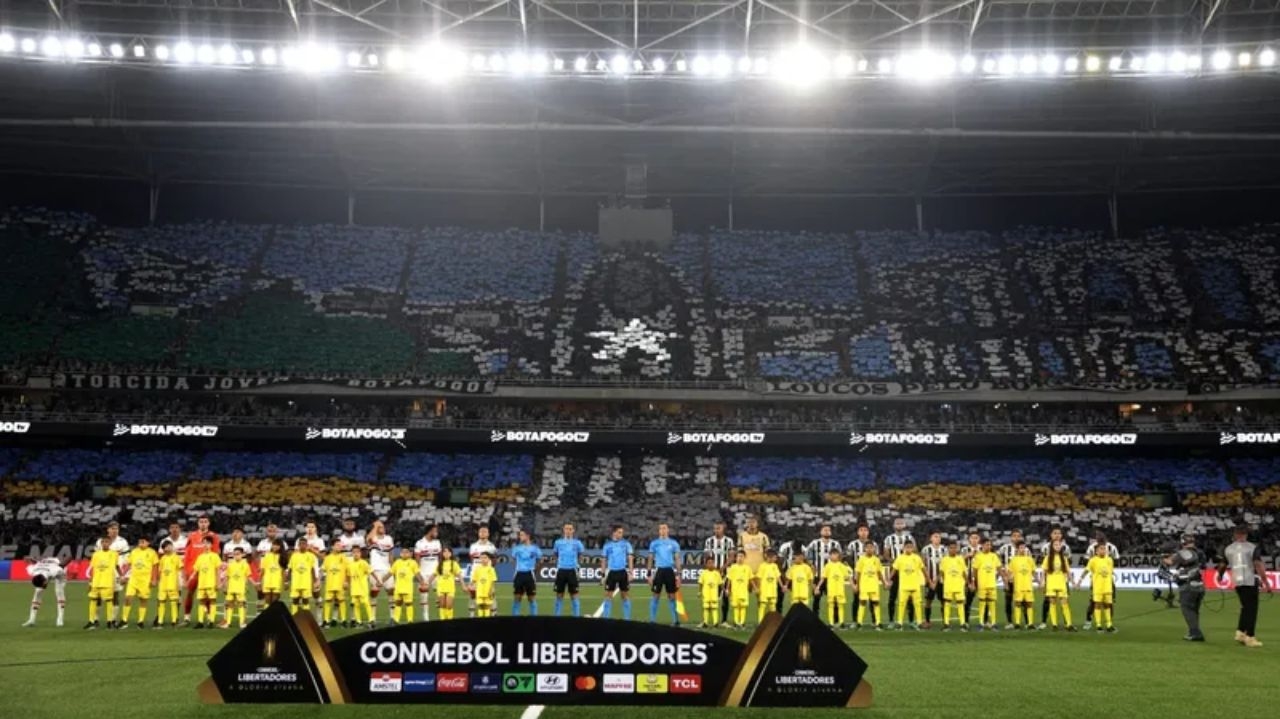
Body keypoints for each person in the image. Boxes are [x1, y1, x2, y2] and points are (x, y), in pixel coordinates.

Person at [1223, 525, 1269, 648]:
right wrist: (1266, 582)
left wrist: (1219, 576)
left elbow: (1222, 564)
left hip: (1237, 581)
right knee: (1251, 610)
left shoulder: (1228, 549)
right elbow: (1258, 564)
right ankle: (1250, 636)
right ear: (1246, 534)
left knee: (1245, 607)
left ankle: (1240, 632)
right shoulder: (1252, 548)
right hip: (1249, 580)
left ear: (1234, 534)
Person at [1165, 534, 1207, 642]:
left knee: (1187, 609)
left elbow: (1169, 562)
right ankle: (1194, 631)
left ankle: (1195, 633)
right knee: (1195, 610)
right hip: (1200, 585)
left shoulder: (1183, 553)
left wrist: (1163, 557)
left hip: (1188, 586)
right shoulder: (1200, 553)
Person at [181, 516, 220, 626]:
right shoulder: (192, 536)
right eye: (201, 522)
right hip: (193, 569)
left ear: (209, 523)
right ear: (198, 523)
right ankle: (187, 617)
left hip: (208, 572)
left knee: (207, 595)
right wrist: (186, 571)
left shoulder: (214, 537)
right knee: (189, 593)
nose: (203, 524)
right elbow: (187, 554)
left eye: (205, 522)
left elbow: (216, 553)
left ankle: (208, 618)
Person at [94, 522, 130, 628]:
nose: (115, 530)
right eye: (112, 528)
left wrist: (124, 575)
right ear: (108, 530)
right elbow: (96, 557)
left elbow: (127, 559)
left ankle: (113, 619)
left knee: (115, 595)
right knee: (98, 596)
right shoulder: (100, 541)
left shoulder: (122, 542)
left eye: (116, 529)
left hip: (116, 572)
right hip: (102, 572)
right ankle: (96, 619)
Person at [1082, 532, 1120, 631]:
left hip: (1107, 579)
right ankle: (1089, 621)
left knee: (1109, 603)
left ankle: (1109, 623)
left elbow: (1116, 561)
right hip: (1096, 580)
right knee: (1094, 602)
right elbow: (1087, 563)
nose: (1100, 540)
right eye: (1099, 538)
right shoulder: (1092, 548)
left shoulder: (1112, 548)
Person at [881, 518, 915, 625]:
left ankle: (911, 621)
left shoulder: (909, 537)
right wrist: (896, 562)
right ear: (894, 525)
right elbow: (886, 554)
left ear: (904, 525)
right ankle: (891, 620)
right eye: (897, 523)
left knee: (910, 596)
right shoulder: (889, 538)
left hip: (908, 571)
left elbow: (915, 551)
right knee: (892, 596)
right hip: (894, 570)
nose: (899, 525)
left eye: (901, 523)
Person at [1076, 543, 1115, 633]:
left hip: (1107, 587)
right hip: (1097, 587)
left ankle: (1109, 625)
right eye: (1101, 549)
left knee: (1107, 605)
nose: (1103, 550)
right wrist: (1079, 581)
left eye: (1104, 549)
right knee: (1097, 605)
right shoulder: (1093, 560)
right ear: (1096, 551)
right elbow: (1086, 571)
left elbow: (1110, 573)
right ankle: (1099, 625)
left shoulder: (1109, 560)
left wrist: (1112, 585)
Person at [121, 536, 158, 629]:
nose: (141, 543)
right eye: (140, 541)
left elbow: (155, 567)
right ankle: (124, 620)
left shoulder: (152, 553)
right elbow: (128, 564)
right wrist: (123, 575)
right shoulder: (134, 551)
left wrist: (154, 579)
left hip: (145, 580)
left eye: (143, 542)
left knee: (143, 600)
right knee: (128, 598)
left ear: (148, 543)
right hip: (133, 579)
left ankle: (140, 621)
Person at [648, 523, 682, 625]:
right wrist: (649, 574)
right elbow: (650, 558)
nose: (662, 530)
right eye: (660, 529)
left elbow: (677, 559)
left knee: (672, 596)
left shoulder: (674, 543)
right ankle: (652, 620)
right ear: (659, 531)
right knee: (656, 595)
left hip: (669, 571)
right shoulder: (654, 543)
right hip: (659, 571)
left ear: (668, 530)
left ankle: (675, 620)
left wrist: (679, 575)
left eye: (664, 528)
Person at [804, 524, 840, 617]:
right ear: (821, 532)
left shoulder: (835, 544)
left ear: (831, 532)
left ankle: (835, 620)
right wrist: (811, 565)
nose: (827, 531)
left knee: (834, 598)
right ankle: (815, 618)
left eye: (828, 530)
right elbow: (808, 556)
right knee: (816, 598)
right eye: (825, 530)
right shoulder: (814, 543)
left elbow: (840, 557)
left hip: (831, 577)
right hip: (817, 575)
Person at [1037, 527, 1070, 630]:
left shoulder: (1066, 548)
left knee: (1064, 601)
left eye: (1059, 533)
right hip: (1050, 580)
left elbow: (1068, 565)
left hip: (1061, 579)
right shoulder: (1045, 548)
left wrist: (1069, 579)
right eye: (1055, 533)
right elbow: (1043, 567)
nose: (1057, 535)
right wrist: (1043, 581)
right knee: (1048, 601)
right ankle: (1046, 622)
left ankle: (1068, 623)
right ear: (1051, 535)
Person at [600, 525, 634, 620]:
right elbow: (603, 560)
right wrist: (603, 575)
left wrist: (631, 572)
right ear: (614, 532)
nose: (621, 534)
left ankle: (627, 619)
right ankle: (606, 618)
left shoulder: (626, 544)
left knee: (625, 596)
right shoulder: (607, 545)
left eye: (622, 532)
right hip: (611, 572)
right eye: (619, 532)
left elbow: (630, 558)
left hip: (622, 572)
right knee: (608, 596)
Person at [704, 522, 735, 626]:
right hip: (713, 572)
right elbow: (707, 556)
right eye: (715, 528)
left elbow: (731, 557)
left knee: (726, 595)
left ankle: (724, 620)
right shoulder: (709, 541)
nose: (717, 530)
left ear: (723, 529)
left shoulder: (729, 541)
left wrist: (722, 568)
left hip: (726, 572)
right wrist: (713, 568)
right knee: (712, 596)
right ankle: (711, 620)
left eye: (719, 528)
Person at [85, 536, 119, 630]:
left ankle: (109, 621)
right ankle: (91, 621)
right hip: (96, 582)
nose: (105, 543)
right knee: (93, 601)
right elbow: (92, 568)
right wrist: (90, 582)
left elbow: (116, 566)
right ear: (101, 543)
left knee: (109, 601)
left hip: (108, 581)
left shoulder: (114, 554)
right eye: (103, 542)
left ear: (110, 543)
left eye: (107, 542)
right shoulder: (95, 554)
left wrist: (120, 577)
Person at [23, 556, 66, 628]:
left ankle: (60, 619)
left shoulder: (56, 570)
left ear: (45, 581)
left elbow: (69, 558)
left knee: (59, 592)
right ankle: (31, 620)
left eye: (43, 584)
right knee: (38, 592)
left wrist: (62, 565)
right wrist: (30, 559)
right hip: (44, 566)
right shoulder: (32, 571)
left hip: (58, 572)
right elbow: (30, 560)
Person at [1041, 539, 1075, 632]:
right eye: (1055, 545)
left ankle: (1069, 624)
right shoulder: (1047, 558)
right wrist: (1042, 582)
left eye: (1059, 545)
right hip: (1051, 582)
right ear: (1052, 546)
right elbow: (1043, 571)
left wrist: (1073, 582)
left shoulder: (1064, 558)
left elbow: (1068, 571)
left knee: (1065, 603)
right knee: (1052, 603)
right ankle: (1054, 624)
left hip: (1061, 582)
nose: (1057, 546)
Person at [553, 523, 585, 617]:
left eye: (570, 529)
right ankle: (557, 617)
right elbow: (555, 554)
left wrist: (576, 565)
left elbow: (580, 555)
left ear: (573, 530)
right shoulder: (558, 542)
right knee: (559, 595)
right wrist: (560, 563)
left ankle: (576, 617)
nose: (568, 530)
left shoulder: (577, 543)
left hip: (572, 571)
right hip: (561, 570)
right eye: (566, 528)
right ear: (563, 530)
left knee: (574, 595)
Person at [891, 540, 925, 630]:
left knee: (917, 604)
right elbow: (894, 570)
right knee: (902, 604)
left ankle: (919, 622)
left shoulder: (917, 558)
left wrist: (928, 580)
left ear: (913, 548)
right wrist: (888, 580)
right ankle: (899, 623)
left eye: (911, 547)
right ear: (904, 548)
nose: (909, 548)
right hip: (904, 585)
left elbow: (923, 569)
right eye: (907, 547)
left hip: (915, 585)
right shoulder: (900, 558)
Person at [366, 520, 395, 621]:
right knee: (374, 592)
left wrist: (392, 568)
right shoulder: (373, 538)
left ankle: (392, 617)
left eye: (382, 526)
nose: (382, 528)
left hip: (387, 569)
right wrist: (375, 526)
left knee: (391, 592)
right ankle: (372, 618)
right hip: (375, 569)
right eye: (379, 527)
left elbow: (390, 554)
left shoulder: (389, 539)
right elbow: (368, 539)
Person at [467, 526, 498, 618]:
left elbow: (495, 560)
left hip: (487, 575)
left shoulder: (491, 547)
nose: (483, 533)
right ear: (478, 533)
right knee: (472, 594)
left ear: (488, 534)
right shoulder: (473, 546)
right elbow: (472, 559)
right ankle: (471, 615)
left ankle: (493, 613)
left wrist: (488, 570)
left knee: (491, 594)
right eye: (481, 531)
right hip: (476, 574)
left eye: (485, 532)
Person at [996, 530, 1024, 630]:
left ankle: (1024, 621)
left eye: (1018, 536)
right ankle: (1010, 621)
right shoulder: (1005, 548)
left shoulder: (1025, 549)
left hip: (1022, 579)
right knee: (1008, 600)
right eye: (1014, 536)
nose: (1016, 538)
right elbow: (996, 559)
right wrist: (1003, 572)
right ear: (1011, 537)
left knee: (1023, 600)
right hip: (1009, 578)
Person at [413, 524, 441, 622]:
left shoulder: (437, 543)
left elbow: (440, 558)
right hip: (424, 573)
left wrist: (439, 570)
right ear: (430, 531)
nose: (437, 533)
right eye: (435, 531)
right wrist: (419, 575)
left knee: (439, 595)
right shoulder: (419, 543)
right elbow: (417, 560)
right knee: (424, 597)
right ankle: (426, 619)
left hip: (435, 573)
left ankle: (441, 617)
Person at [972, 538, 1002, 631]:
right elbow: (975, 571)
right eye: (986, 545)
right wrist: (974, 582)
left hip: (992, 584)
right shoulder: (978, 556)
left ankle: (993, 623)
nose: (988, 546)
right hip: (982, 584)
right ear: (982, 545)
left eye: (989, 545)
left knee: (992, 604)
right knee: (982, 603)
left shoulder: (994, 556)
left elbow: (999, 568)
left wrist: (1004, 579)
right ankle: (981, 623)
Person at [192, 538, 222, 629]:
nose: (205, 545)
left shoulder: (215, 556)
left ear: (211, 545)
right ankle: (200, 621)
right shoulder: (200, 557)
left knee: (212, 601)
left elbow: (218, 571)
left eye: (208, 543)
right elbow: (196, 570)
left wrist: (218, 582)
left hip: (211, 583)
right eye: (204, 543)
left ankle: (211, 621)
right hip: (202, 583)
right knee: (201, 601)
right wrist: (191, 578)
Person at [854, 542, 885, 630]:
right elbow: (858, 573)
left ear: (874, 549)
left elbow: (879, 573)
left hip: (874, 585)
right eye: (867, 547)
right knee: (862, 603)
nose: (869, 549)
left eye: (871, 547)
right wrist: (857, 584)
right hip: (864, 585)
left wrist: (884, 582)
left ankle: (878, 623)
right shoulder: (861, 560)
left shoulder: (877, 560)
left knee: (876, 603)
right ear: (864, 549)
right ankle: (859, 623)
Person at [511, 530, 542, 617]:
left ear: (527, 536)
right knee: (517, 598)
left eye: (522, 535)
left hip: (530, 574)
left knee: (531, 598)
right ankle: (515, 620)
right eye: (519, 535)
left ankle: (534, 620)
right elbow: (512, 560)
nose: (520, 537)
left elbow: (539, 561)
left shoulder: (535, 549)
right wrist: (517, 568)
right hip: (519, 574)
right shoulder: (516, 548)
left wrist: (534, 571)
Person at [253, 523, 281, 616]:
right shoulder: (262, 543)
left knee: (275, 596)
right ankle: (259, 613)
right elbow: (255, 555)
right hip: (263, 571)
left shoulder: (281, 543)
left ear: (277, 532)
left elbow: (285, 557)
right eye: (269, 531)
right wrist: (258, 565)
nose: (271, 533)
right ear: (266, 532)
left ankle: (274, 614)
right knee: (260, 593)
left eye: (273, 531)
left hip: (276, 573)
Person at [939, 541, 968, 631]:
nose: (953, 550)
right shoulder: (944, 560)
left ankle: (962, 623)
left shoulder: (960, 559)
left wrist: (967, 583)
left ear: (957, 549)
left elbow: (964, 572)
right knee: (947, 604)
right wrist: (945, 581)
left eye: (955, 548)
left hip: (959, 585)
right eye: (951, 548)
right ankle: (946, 624)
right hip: (948, 585)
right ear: (948, 549)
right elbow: (942, 572)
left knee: (960, 604)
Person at [819, 549, 852, 629]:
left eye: (835, 554)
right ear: (829, 556)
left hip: (840, 589)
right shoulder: (827, 566)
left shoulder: (842, 566)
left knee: (840, 605)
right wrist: (818, 587)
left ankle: (841, 623)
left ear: (838, 556)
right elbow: (823, 578)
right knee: (831, 605)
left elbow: (848, 577)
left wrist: (853, 585)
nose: (833, 556)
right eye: (832, 554)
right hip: (831, 589)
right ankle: (831, 623)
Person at [1007, 543, 1037, 630]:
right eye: (1021, 548)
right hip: (1018, 586)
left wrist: (1039, 582)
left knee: (1029, 604)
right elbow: (1010, 572)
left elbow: (1033, 572)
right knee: (1017, 603)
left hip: (1028, 585)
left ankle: (1030, 623)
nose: (1022, 549)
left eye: (1024, 548)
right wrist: (1009, 579)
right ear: (1017, 549)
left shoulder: (1030, 559)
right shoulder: (1014, 560)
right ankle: (1017, 623)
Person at [287, 537, 318, 617]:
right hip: (296, 582)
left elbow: (312, 569)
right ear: (298, 545)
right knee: (295, 600)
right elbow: (290, 569)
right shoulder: (294, 556)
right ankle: (294, 616)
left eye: (304, 544)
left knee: (305, 600)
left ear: (307, 545)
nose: (302, 545)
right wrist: (287, 581)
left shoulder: (311, 556)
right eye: (300, 544)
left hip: (306, 582)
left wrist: (315, 581)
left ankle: (306, 617)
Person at [921, 532, 946, 629]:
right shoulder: (926, 549)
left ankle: (945, 621)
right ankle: (927, 621)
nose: (937, 538)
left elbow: (945, 565)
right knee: (928, 601)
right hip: (929, 580)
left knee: (944, 601)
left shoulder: (944, 549)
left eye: (939, 537)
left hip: (941, 580)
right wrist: (929, 580)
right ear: (931, 538)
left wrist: (938, 577)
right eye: (935, 536)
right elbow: (923, 566)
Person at [222, 547, 252, 629]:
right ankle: (228, 623)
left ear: (243, 554)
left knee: (241, 604)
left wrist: (250, 584)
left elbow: (248, 576)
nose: (236, 556)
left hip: (240, 588)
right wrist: (224, 586)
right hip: (231, 587)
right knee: (229, 604)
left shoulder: (245, 565)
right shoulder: (230, 564)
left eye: (238, 554)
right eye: (234, 554)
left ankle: (242, 623)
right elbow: (227, 576)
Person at [155, 540, 183, 628]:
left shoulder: (177, 558)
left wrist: (180, 584)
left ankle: (174, 621)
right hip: (163, 584)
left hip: (173, 583)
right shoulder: (162, 558)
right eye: (166, 547)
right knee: (161, 602)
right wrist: (158, 580)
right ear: (163, 549)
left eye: (170, 545)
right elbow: (160, 571)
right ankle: (160, 622)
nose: (169, 548)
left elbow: (180, 571)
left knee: (173, 602)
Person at [321, 544, 349, 628]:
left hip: (340, 584)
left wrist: (346, 581)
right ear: (332, 547)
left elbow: (348, 569)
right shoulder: (327, 558)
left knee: (341, 601)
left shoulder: (343, 557)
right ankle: (326, 620)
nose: (340, 547)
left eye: (340, 546)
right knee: (328, 601)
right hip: (330, 583)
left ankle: (343, 620)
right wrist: (318, 580)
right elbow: (323, 569)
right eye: (337, 545)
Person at [346, 546, 374, 628]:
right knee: (355, 605)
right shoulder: (350, 564)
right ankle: (358, 621)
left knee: (366, 603)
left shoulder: (364, 563)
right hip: (354, 588)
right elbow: (348, 575)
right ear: (352, 553)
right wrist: (346, 583)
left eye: (357, 552)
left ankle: (371, 620)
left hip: (363, 588)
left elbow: (371, 572)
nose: (356, 554)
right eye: (354, 552)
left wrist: (378, 581)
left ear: (360, 553)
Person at [391, 547, 420, 623]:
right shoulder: (397, 562)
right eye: (403, 552)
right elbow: (390, 572)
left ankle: (410, 620)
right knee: (398, 603)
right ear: (400, 554)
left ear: (409, 554)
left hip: (407, 588)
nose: (404, 554)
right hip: (398, 587)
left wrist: (422, 582)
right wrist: (381, 581)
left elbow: (417, 574)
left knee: (409, 603)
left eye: (406, 552)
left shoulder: (413, 562)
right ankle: (396, 620)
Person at [726, 551, 753, 630]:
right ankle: (736, 623)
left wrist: (754, 588)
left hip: (744, 591)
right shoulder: (733, 567)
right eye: (738, 556)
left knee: (743, 607)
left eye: (741, 556)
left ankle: (742, 623)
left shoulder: (747, 568)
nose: (740, 558)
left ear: (744, 558)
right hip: (735, 591)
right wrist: (727, 589)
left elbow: (751, 579)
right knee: (736, 607)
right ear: (736, 558)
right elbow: (729, 579)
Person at [754, 549, 782, 624]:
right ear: (769, 557)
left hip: (773, 589)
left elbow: (778, 577)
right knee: (762, 605)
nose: (775, 559)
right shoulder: (762, 566)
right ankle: (760, 622)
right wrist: (758, 588)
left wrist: (782, 586)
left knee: (772, 606)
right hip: (764, 589)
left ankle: (772, 623)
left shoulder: (775, 566)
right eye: (774, 557)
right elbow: (758, 578)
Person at [434, 547, 463, 620]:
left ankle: (449, 619)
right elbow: (434, 574)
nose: (446, 553)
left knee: (449, 605)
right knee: (442, 605)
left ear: (451, 554)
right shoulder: (440, 564)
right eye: (444, 552)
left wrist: (463, 585)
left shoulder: (454, 563)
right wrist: (427, 583)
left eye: (448, 552)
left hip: (450, 588)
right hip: (441, 587)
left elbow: (459, 575)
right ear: (442, 554)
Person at [258, 539, 285, 613]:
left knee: (274, 602)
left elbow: (283, 571)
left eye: (277, 545)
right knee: (267, 601)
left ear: (280, 547)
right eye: (274, 545)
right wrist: (259, 582)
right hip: (267, 581)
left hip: (277, 582)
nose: (275, 547)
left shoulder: (282, 557)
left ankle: (273, 617)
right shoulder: (266, 555)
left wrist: (284, 582)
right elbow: (262, 570)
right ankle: (267, 617)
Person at [698, 557, 724, 628]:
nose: (711, 564)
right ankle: (705, 622)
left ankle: (715, 623)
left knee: (714, 608)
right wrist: (700, 592)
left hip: (714, 594)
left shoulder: (717, 573)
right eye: (709, 563)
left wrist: (722, 592)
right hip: (706, 594)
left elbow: (721, 583)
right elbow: (700, 583)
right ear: (706, 564)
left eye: (712, 563)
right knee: (706, 608)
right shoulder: (703, 573)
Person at [471, 553, 498, 618]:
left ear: (489, 559)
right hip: (479, 591)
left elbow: (493, 581)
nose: (483, 559)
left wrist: (491, 590)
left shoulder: (491, 569)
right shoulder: (477, 569)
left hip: (488, 591)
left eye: (485, 558)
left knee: (487, 606)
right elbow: (474, 580)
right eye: (482, 558)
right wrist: (473, 588)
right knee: (480, 606)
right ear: (480, 559)